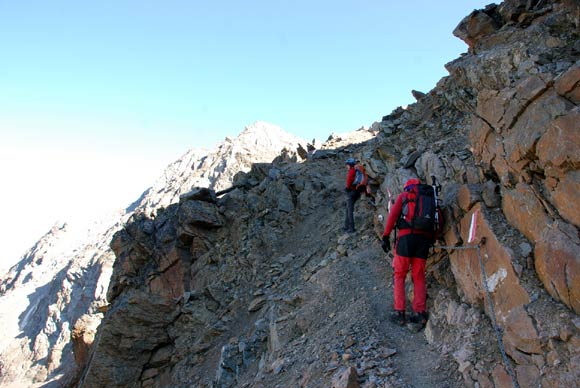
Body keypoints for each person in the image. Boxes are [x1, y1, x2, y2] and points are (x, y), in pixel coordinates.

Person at [381, 178, 439, 328]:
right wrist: (432, 238)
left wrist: (385, 236)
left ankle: (400, 312)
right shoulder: (429, 199)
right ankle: (420, 313)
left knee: (399, 274)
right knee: (419, 276)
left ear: (408, 188)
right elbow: (438, 220)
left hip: (406, 239)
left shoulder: (405, 197)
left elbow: (393, 216)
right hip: (423, 240)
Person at [343, 158, 362, 233]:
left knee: (349, 211)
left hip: (351, 192)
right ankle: (346, 226)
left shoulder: (351, 171)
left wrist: (347, 188)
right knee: (348, 209)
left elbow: (348, 182)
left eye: (347, 165)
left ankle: (351, 228)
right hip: (357, 192)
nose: (346, 167)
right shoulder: (357, 171)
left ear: (350, 165)